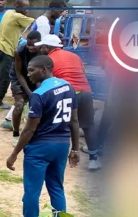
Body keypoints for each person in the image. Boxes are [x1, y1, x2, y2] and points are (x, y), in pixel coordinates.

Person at [6, 55, 80, 217]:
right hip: (62, 145)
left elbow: (29, 130)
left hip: (40, 147)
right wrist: (75, 149)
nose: (29, 74)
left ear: (45, 69)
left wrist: (14, 153)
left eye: (32, 70)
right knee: (56, 187)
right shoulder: (68, 87)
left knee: (32, 191)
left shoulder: (39, 95)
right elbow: (74, 121)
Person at [37, 34, 100, 170]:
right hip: (85, 91)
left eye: (42, 47)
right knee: (89, 126)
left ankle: (56, 156)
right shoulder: (75, 56)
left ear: (48, 47)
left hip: (67, 92)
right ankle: (94, 159)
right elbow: (83, 72)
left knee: (61, 124)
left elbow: (48, 82)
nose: (40, 49)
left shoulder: (48, 60)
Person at [1, 31, 42, 146]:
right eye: (28, 45)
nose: (30, 48)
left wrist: (37, 92)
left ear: (39, 43)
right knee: (19, 104)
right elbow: (19, 74)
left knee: (39, 103)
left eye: (33, 45)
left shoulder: (43, 51)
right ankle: (16, 134)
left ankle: (35, 134)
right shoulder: (19, 51)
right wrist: (29, 92)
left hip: (35, 76)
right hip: (19, 77)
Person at [0, 0, 34, 110]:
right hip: (6, 49)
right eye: (24, 7)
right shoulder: (17, 16)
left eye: (28, 7)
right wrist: (27, 14)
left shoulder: (9, 12)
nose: (26, 9)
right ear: (17, 6)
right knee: (5, 77)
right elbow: (34, 23)